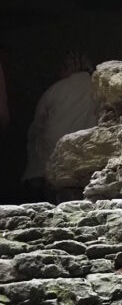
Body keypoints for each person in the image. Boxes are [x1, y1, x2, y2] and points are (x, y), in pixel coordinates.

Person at [22, 52, 97, 202]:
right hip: (90, 164)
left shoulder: (54, 90)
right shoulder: (99, 86)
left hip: (53, 167)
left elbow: (37, 127)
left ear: (70, 67)